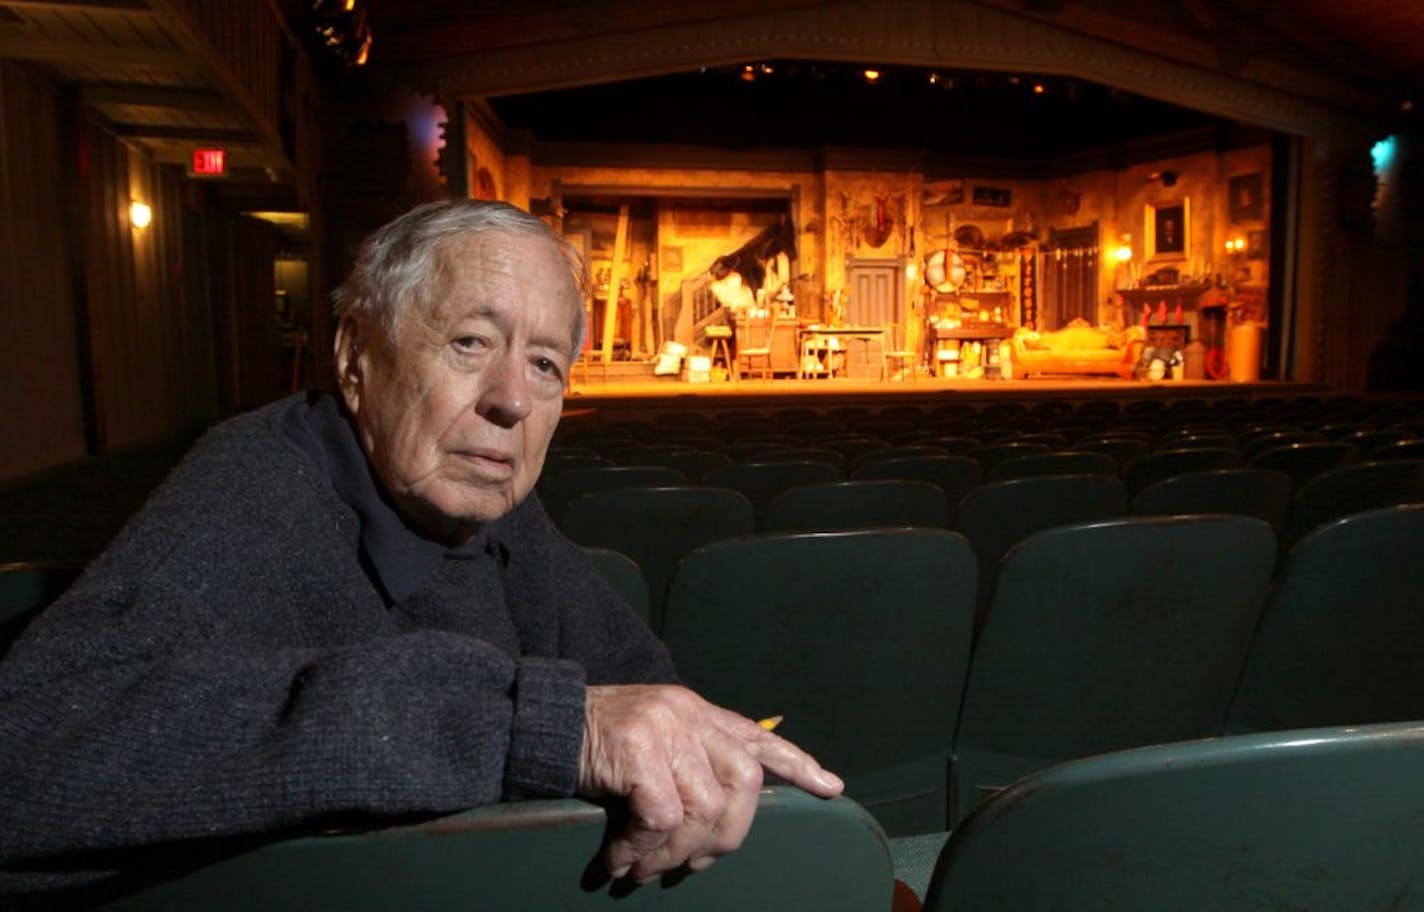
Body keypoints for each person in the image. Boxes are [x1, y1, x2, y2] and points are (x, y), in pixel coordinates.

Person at [0, 199, 842, 897]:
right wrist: (541, 727)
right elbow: (25, 748)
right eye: (471, 342)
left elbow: (637, 677)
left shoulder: (484, 496)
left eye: (545, 363)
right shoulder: (254, 488)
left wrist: (688, 750)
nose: (511, 397)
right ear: (355, 357)